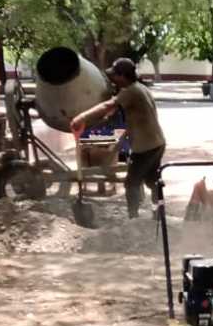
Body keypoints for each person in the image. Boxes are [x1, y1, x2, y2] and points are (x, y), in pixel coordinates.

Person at [70, 58, 166, 219]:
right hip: (157, 143)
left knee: (131, 183)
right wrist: (115, 144)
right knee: (152, 181)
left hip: (145, 147)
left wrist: (81, 117)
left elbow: (108, 106)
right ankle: (158, 213)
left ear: (123, 76)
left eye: (115, 76)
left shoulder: (130, 91)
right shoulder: (141, 88)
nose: (113, 79)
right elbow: (134, 120)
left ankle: (133, 218)